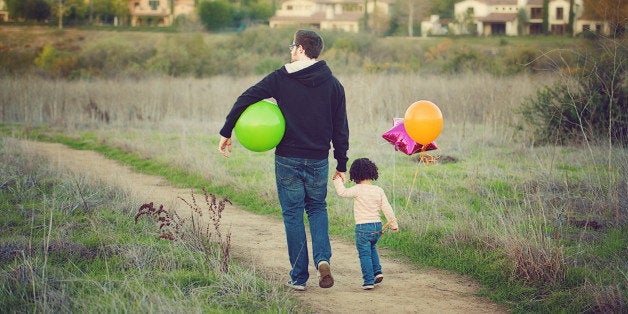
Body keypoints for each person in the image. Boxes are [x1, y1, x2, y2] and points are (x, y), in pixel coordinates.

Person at [218, 29, 349, 291]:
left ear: (301, 49)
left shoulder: (281, 78)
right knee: (317, 209)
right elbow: (340, 128)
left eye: (293, 45)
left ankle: (299, 278)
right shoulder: (333, 84)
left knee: (292, 214)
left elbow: (245, 98)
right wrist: (341, 163)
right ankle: (323, 260)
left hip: (288, 158)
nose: (290, 50)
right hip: (318, 159)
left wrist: (226, 131)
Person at [332, 158, 398, 290]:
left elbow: (342, 192)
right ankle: (377, 272)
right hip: (377, 227)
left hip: (363, 228)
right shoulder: (378, 190)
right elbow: (387, 207)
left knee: (364, 254)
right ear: (372, 172)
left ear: (355, 174)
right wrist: (393, 223)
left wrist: (337, 179)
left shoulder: (357, 189)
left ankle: (368, 281)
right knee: (372, 248)